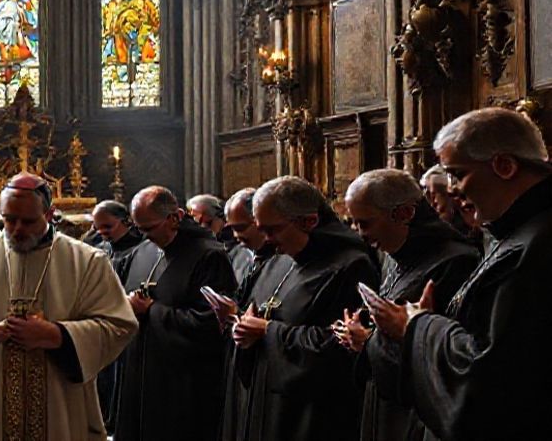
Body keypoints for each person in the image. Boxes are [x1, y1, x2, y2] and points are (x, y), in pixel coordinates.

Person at [365, 108, 552, 440]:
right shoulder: (512, 234)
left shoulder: (535, 247)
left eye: (457, 173)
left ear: (505, 167)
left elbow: (492, 383)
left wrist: (416, 325)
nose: (451, 189)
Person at [0, 173, 138, 440]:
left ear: (49, 214)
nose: (16, 230)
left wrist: (58, 335)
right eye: (8, 220)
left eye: (27, 221)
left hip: (60, 399)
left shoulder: (86, 261)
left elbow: (120, 323)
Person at [224, 176, 378, 441]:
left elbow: (342, 346)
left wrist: (268, 332)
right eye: (262, 230)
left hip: (311, 415)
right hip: (264, 401)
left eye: (273, 230)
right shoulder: (275, 261)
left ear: (309, 222)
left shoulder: (351, 266)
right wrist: (242, 325)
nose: (267, 240)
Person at [334, 169, 478, 441]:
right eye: (354, 223)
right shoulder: (390, 254)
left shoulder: (456, 262)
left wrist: (368, 343)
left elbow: (445, 356)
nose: (359, 234)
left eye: (365, 223)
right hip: (382, 404)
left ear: (404, 214)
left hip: (417, 417)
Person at [115, 187, 237, 441]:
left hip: (182, 381)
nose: (145, 236)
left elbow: (212, 323)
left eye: (149, 228)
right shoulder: (142, 252)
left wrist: (152, 310)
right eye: (139, 229)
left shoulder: (209, 255)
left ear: (175, 217)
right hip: (140, 368)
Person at [203, 187, 278, 441]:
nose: (236, 236)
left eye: (243, 227)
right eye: (232, 228)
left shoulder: (284, 259)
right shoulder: (241, 254)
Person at [89, 199, 162, 432]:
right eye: (97, 228)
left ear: (125, 223)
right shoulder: (101, 248)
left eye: (107, 227)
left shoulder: (140, 251)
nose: (102, 233)